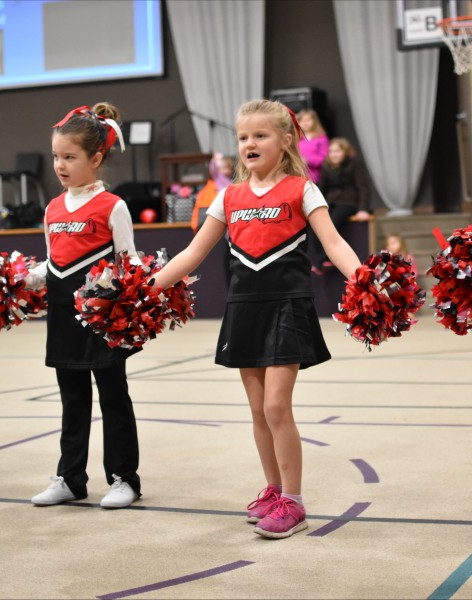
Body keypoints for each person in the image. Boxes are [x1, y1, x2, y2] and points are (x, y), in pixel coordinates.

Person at [152, 98, 363, 539]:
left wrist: (365, 280)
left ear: (286, 141)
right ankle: (273, 489)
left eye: (260, 135)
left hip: (287, 305)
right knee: (256, 410)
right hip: (244, 308)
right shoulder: (230, 196)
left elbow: (334, 243)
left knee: (275, 406)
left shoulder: (302, 190)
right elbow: (194, 252)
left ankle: (295, 502)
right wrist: (144, 288)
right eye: (243, 137)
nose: (250, 144)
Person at [27, 103, 144, 509]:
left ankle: (124, 478)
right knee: (71, 397)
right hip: (62, 313)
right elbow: (52, 261)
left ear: (95, 158)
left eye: (69, 157)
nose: (60, 165)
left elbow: (129, 263)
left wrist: (110, 295)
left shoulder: (112, 205)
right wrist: (23, 277)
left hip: (104, 318)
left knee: (113, 397)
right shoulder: (53, 208)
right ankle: (70, 477)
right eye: (56, 157)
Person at [311, 137, 372, 274]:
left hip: (349, 201)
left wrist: (363, 209)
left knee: (334, 221)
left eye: (337, 151)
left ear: (345, 152)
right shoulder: (326, 167)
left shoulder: (354, 164)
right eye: (331, 151)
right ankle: (322, 260)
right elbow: (321, 189)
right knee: (316, 222)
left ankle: (324, 259)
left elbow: (363, 187)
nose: (334, 154)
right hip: (331, 201)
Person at [295, 109, 329, 184]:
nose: (305, 123)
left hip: (315, 177)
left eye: (308, 120)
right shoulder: (295, 138)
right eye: (301, 120)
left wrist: (308, 160)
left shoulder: (321, 139)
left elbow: (324, 158)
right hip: (298, 176)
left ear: (315, 121)